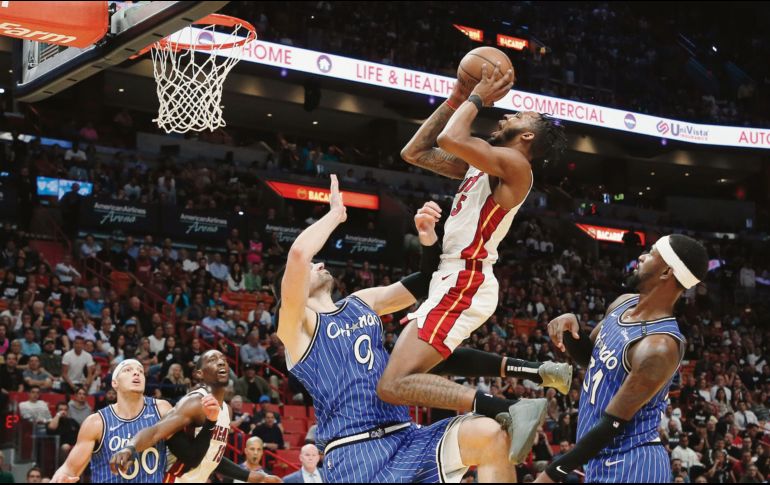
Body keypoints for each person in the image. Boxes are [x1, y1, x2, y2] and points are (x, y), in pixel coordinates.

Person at [278, 175, 539, 482]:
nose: (319, 265)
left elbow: (427, 279)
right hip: (355, 453)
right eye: (312, 267)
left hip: (406, 436)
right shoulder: (296, 328)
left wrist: (428, 238)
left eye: (317, 263)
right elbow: (298, 256)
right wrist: (336, 214)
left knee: (491, 434)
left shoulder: (361, 301)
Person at [378, 63, 569, 463]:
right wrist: (455, 97)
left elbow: (452, 136)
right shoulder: (479, 164)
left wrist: (478, 96)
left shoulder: (516, 167)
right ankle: (531, 376)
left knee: (394, 383)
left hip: (466, 276)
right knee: (410, 373)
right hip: (454, 277)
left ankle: (506, 409)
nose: (505, 116)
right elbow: (414, 151)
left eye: (517, 117)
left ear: (528, 135)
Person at [536, 234, 709, 483]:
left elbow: (612, 425)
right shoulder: (623, 303)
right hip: (601, 457)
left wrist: (551, 475)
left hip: (632, 466)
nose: (641, 256)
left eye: (650, 253)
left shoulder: (659, 346)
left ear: (665, 273)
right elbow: (591, 358)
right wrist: (572, 332)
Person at [109, 350, 279, 483]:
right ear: (199, 374)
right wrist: (129, 448)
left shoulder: (226, 410)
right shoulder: (195, 402)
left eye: (223, 360)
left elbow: (211, 458)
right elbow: (156, 431)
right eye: (212, 360)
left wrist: (252, 477)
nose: (221, 362)